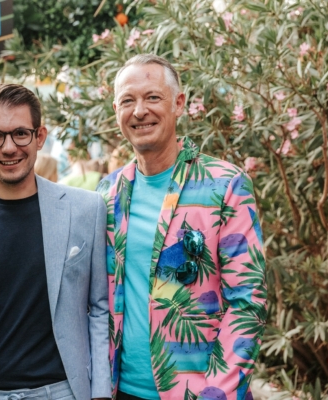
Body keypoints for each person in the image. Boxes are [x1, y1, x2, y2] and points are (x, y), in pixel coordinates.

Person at [96, 54, 266, 400]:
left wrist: (215, 393)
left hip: (203, 393)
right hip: (120, 391)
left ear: (179, 104)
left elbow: (248, 303)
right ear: (116, 110)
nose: (139, 110)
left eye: (152, 97)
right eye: (128, 100)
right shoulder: (106, 194)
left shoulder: (225, 186)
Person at [0, 83, 111, 400]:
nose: (9, 147)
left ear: (40, 137)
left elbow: (100, 308)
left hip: (64, 391)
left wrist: (100, 389)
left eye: (20, 133)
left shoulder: (86, 209)